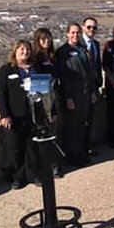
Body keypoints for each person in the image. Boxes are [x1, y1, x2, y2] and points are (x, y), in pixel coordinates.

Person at [0, 40, 39, 189]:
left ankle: (33, 175)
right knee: (15, 148)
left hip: (32, 114)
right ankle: (18, 177)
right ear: (15, 51)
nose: (25, 51)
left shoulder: (35, 68)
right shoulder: (6, 70)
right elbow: (0, 94)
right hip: (14, 116)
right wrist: (4, 115)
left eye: (27, 49)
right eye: (21, 49)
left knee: (32, 146)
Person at [56, 23, 97, 166]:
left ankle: (80, 153)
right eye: (73, 33)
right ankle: (73, 157)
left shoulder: (82, 49)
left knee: (81, 125)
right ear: (67, 34)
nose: (75, 35)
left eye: (78, 33)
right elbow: (63, 77)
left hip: (85, 94)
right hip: (73, 95)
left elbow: (90, 73)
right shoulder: (63, 52)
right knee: (71, 127)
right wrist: (68, 97)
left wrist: (92, 91)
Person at [32, 28, 63, 178]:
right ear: (37, 40)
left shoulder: (53, 57)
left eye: (49, 38)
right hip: (41, 100)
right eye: (43, 39)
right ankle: (46, 167)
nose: (46, 41)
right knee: (44, 133)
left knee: (54, 133)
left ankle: (55, 165)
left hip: (54, 97)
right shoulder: (34, 60)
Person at [81, 17, 102, 156]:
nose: (91, 30)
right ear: (83, 27)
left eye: (94, 28)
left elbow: (96, 66)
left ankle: (87, 148)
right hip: (81, 90)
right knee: (80, 123)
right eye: (89, 27)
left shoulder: (96, 44)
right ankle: (79, 150)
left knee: (89, 120)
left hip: (94, 87)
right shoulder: (78, 44)